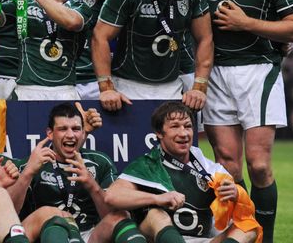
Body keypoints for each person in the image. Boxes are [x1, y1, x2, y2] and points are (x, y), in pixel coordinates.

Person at [193, 0, 293, 242]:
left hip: (258, 70)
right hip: (215, 72)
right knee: (227, 165)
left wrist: (246, 23)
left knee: (258, 164)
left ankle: (265, 238)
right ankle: (245, 232)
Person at [105, 102, 259, 243]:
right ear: (159, 133)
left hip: (203, 239)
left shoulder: (210, 169)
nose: (183, 133)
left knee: (248, 228)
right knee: (156, 215)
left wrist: (236, 194)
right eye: (175, 127)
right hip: (159, 239)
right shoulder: (147, 164)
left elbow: (241, 213)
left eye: (187, 126)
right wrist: (157, 199)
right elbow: (112, 196)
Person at [92, 0, 213, 111]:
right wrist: (106, 88)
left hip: (172, 87)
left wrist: (199, 87)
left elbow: (205, 38)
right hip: (128, 88)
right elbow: (100, 36)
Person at [9, 103, 145, 243]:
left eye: (76, 129)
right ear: (50, 133)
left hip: (90, 235)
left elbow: (110, 215)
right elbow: (9, 216)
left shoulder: (99, 162)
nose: (70, 135)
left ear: (83, 132)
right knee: (50, 215)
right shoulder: (31, 164)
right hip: (47, 234)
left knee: (121, 217)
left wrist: (91, 184)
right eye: (62, 129)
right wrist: (28, 173)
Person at [0, 0, 96, 101]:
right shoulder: (23, 3)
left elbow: (72, 22)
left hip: (66, 92)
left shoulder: (80, 6)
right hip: (27, 91)